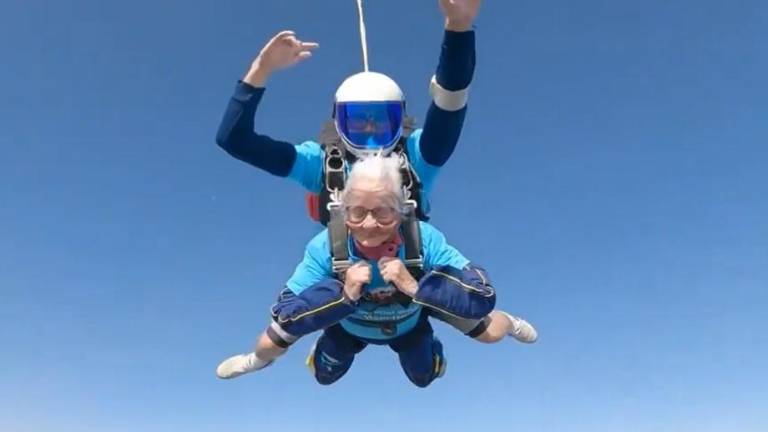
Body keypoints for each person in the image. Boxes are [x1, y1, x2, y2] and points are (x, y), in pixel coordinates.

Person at [216, 155, 537, 387]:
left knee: (448, 360)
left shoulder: (423, 239)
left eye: (383, 213)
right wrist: (342, 296)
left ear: (401, 212)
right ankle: (254, 364)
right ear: (342, 213)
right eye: (357, 213)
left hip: (412, 318)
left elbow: (480, 295)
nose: (370, 225)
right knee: (301, 362)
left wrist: (415, 287)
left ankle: (511, 323)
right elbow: (284, 312)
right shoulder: (326, 247)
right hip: (347, 323)